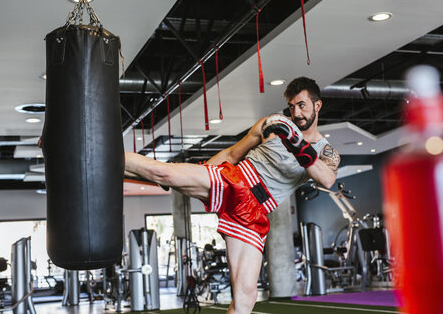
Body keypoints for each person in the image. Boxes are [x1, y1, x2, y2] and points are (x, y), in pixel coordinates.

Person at [125, 76, 340, 314]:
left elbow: (328, 179)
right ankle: (99, 151)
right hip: (234, 180)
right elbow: (231, 154)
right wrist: (195, 172)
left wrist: (296, 142)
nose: (296, 112)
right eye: (291, 106)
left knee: (245, 298)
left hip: (254, 212)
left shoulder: (326, 151)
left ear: (317, 106)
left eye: (302, 105)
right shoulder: (271, 124)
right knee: (163, 172)